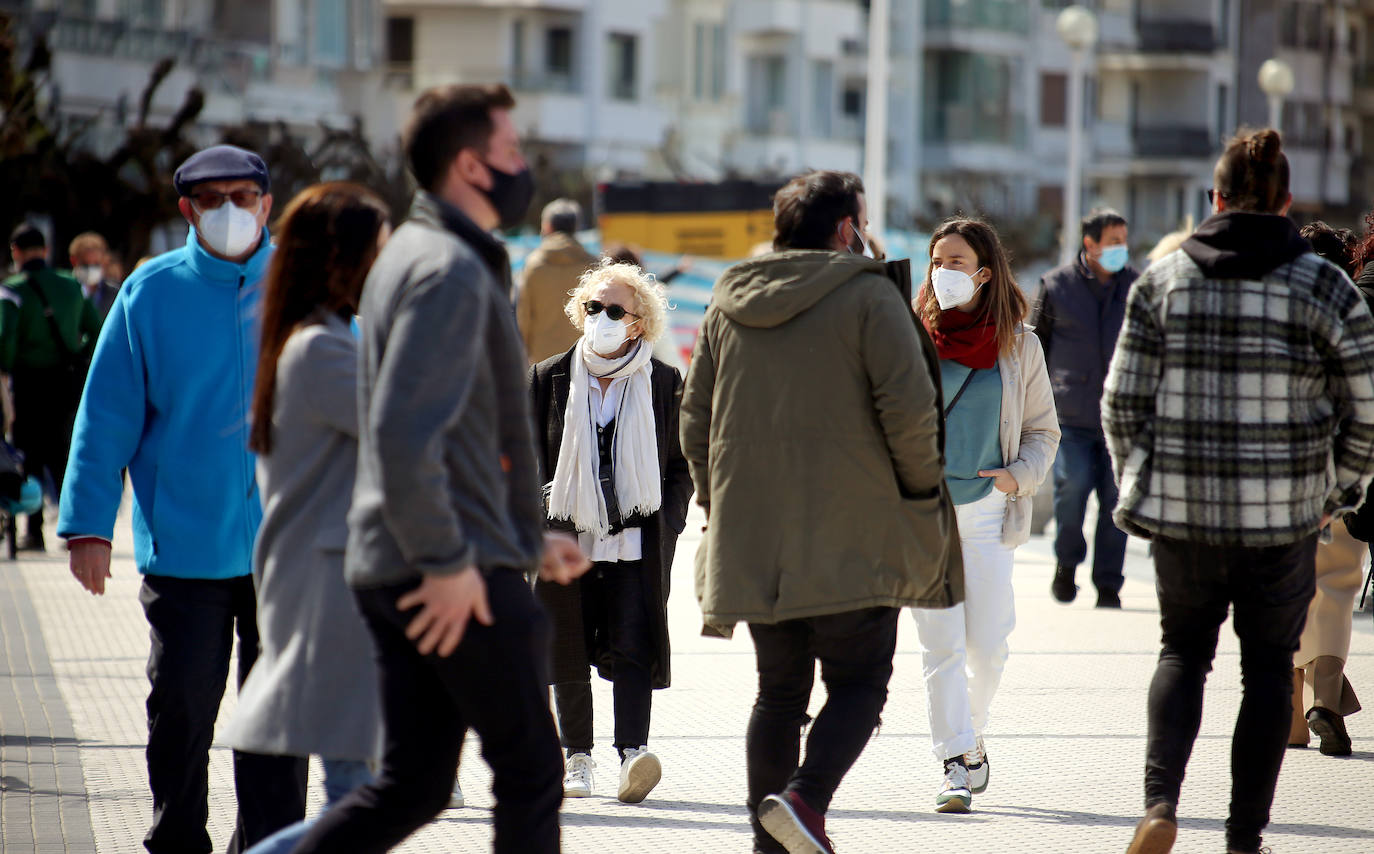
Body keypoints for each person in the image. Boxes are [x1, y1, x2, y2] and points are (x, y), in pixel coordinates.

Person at [291, 84, 589, 854]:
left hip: (420, 556)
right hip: (445, 566)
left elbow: (454, 436)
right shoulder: (449, 269)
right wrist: (452, 560)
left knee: (415, 785)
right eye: (512, 151)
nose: (526, 166)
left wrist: (525, 539)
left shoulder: (423, 254)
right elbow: (400, 434)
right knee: (530, 771)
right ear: (469, 164)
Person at [1105, 129, 1374, 854]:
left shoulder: (1163, 282)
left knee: (1182, 657)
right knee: (1263, 673)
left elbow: (1120, 403)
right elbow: (1365, 405)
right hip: (1284, 516)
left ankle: (1160, 805)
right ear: (1286, 202)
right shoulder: (1326, 285)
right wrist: (1339, 492)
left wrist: (1143, 486)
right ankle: (1243, 838)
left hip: (1184, 515)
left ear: (1214, 199)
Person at [680, 169, 961, 854]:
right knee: (861, 682)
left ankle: (769, 843)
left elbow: (694, 421)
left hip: (758, 541)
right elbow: (911, 413)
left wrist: (721, 502)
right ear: (846, 229)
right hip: (855, 536)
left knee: (777, 694)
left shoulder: (725, 300)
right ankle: (805, 800)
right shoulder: (869, 297)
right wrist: (921, 495)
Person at [57, 144, 310, 854]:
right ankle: (176, 841)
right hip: (185, 546)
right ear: (187, 209)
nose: (229, 210)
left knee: (280, 719)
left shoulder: (310, 285)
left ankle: (267, 846)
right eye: (212, 199)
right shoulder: (149, 291)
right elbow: (106, 414)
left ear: (266, 201)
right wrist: (87, 526)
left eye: (242, 195)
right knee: (181, 709)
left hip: (287, 547)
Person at [217, 183, 391, 854]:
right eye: (379, 250)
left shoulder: (317, 339)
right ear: (343, 261)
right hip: (328, 590)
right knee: (355, 799)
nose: (388, 263)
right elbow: (407, 430)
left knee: (359, 795)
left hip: (328, 583)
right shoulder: (321, 349)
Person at [910, 218, 1059, 813]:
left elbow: (1042, 432)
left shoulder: (1019, 344)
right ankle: (954, 759)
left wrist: (1015, 475)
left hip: (990, 515)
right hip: (925, 517)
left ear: (983, 273)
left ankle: (970, 736)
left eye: (955, 262)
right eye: (936, 261)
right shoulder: (911, 339)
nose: (943, 272)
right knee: (940, 647)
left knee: (988, 647)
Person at [530, 259, 693, 804]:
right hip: (565, 536)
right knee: (566, 645)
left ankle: (632, 754)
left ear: (638, 323)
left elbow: (681, 465)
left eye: (614, 309)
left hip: (636, 536)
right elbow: (528, 459)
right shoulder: (547, 376)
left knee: (633, 640)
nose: (601, 316)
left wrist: (667, 524)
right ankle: (577, 757)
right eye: (594, 307)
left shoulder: (665, 384)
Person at [1029, 207, 1137, 608]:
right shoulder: (1056, 286)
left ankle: (1109, 584)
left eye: (1124, 241)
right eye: (1113, 242)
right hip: (1069, 416)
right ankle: (1066, 563)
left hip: (1120, 419)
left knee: (1116, 501)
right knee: (1070, 489)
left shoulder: (1137, 287)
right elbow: (1035, 349)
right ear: (1089, 244)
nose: (1121, 249)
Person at [1287, 220, 1365, 756]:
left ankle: (1291, 719)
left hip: (1284, 474)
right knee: (1336, 585)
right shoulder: (1354, 313)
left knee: (1288, 591)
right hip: (1342, 471)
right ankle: (1326, 699)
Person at [1, 223, 101, 551]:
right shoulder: (72, 286)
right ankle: (76, 527)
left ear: (15, 252)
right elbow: (95, 329)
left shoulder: (12, 289)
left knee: (27, 453)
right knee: (64, 450)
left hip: (27, 381)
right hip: (64, 381)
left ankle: (32, 529)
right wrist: (78, 356)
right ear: (45, 251)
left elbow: (6, 343)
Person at [517, 198, 599, 363]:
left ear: (547, 226)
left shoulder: (533, 266)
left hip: (542, 360)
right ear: (576, 227)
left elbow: (524, 316)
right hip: (583, 359)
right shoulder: (593, 266)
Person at [68, 231, 122, 321]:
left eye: (96, 264)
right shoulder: (65, 290)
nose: (91, 270)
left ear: (104, 261)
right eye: (85, 264)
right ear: (74, 261)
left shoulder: (115, 294)